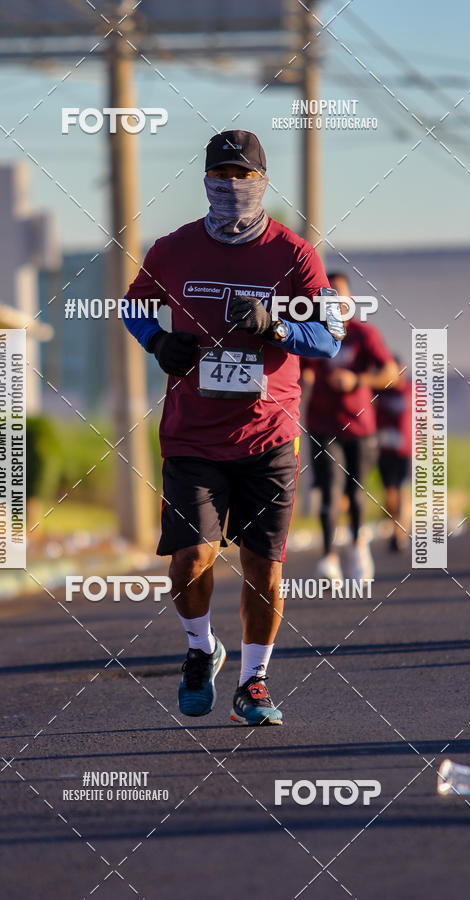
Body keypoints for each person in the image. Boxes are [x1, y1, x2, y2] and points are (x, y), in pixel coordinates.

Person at [122, 130, 342, 726]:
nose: (231, 187)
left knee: (263, 569)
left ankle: (254, 682)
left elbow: (329, 338)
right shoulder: (172, 249)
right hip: (192, 436)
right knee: (191, 557)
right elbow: (132, 305)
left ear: (263, 183)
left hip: (269, 436)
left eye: (243, 177)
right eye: (220, 176)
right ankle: (200, 649)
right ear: (205, 182)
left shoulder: (294, 255)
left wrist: (277, 328)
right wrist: (158, 339)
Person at [302, 272, 398, 581]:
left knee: (356, 493)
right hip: (322, 425)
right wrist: (305, 380)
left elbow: (391, 373)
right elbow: (298, 369)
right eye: (327, 296)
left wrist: (358, 380)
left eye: (340, 294)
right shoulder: (312, 334)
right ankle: (329, 556)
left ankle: (358, 547)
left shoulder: (363, 335)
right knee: (330, 491)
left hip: (360, 428)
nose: (335, 301)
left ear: (350, 300)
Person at [376, 356, 412, 551]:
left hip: (405, 450)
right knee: (390, 492)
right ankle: (394, 527)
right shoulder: (380, 393)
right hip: (385, 450)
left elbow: (425, 416)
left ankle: (400, 533)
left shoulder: (411, 392)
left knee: (402, 491)